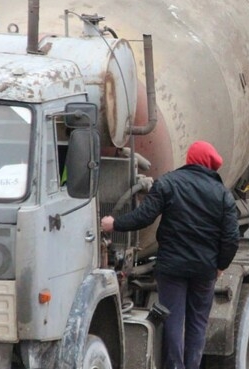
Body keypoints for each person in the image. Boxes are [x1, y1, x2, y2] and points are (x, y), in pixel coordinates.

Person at [101, 140, 239, 369]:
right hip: (204, 269)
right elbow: (231, 237)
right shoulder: (223, 195)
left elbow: (144, 217)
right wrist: (220, 264)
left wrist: (115, 223)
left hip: (171, 268)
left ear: (190, 160)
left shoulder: (169, 183)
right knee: (197, 323)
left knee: (173, 320)